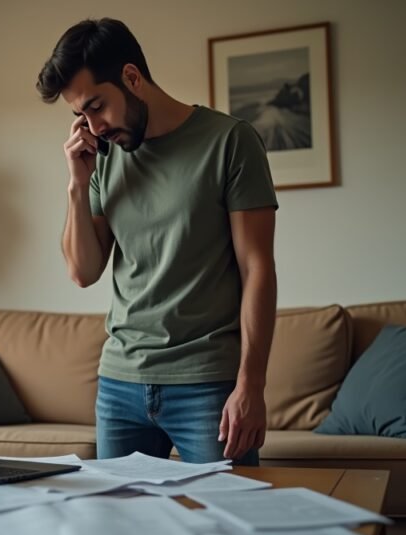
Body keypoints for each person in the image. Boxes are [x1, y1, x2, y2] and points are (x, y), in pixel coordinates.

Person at [35, 18, 278, 465]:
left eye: (97, 106)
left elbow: (257, 269)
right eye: (80, 116)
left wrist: (252, 386)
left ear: (132, 78)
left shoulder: (229, 141)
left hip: (207, 384)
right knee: (121, 529)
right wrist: (76, 184)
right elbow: (83, 272)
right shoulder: (102, 160)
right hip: (118, 385)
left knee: (228, 527)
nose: (93, 126)